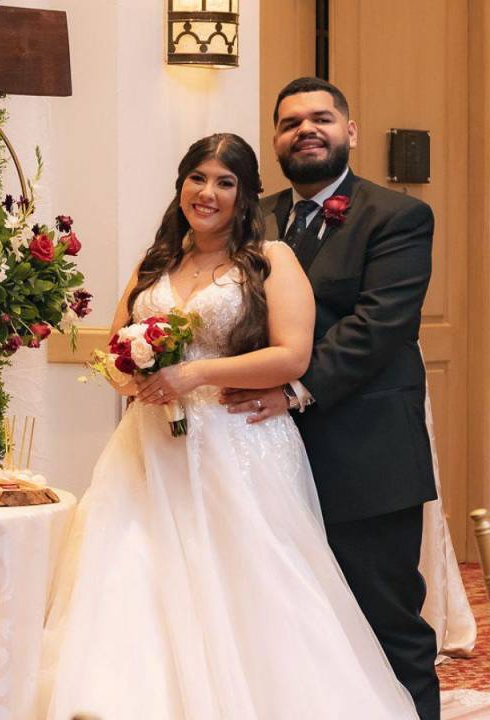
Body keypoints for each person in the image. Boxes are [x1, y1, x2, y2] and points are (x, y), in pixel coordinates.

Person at [39, 132, 417, 719]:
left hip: (238, 440)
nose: (207, 193)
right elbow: (116, 344)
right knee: (135, 576)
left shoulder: (271, 259)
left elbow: (292, 355)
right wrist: (129, 377)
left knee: (250, 581)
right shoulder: (156, 262)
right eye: (197, 178)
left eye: (224, 182)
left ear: (245, 197)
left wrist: (195, 376)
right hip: (147, 448)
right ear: (181, 184)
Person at [222, 77, 439, 720]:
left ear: (352, 132)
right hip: (261, 457)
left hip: (366, 457)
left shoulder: (397, 216)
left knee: (385, 620)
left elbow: (379, 325)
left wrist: (293, 387)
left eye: (321, 118)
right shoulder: (250, 218)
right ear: (275, 141)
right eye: (290, 123)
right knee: (291, 625)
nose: (305, 130)